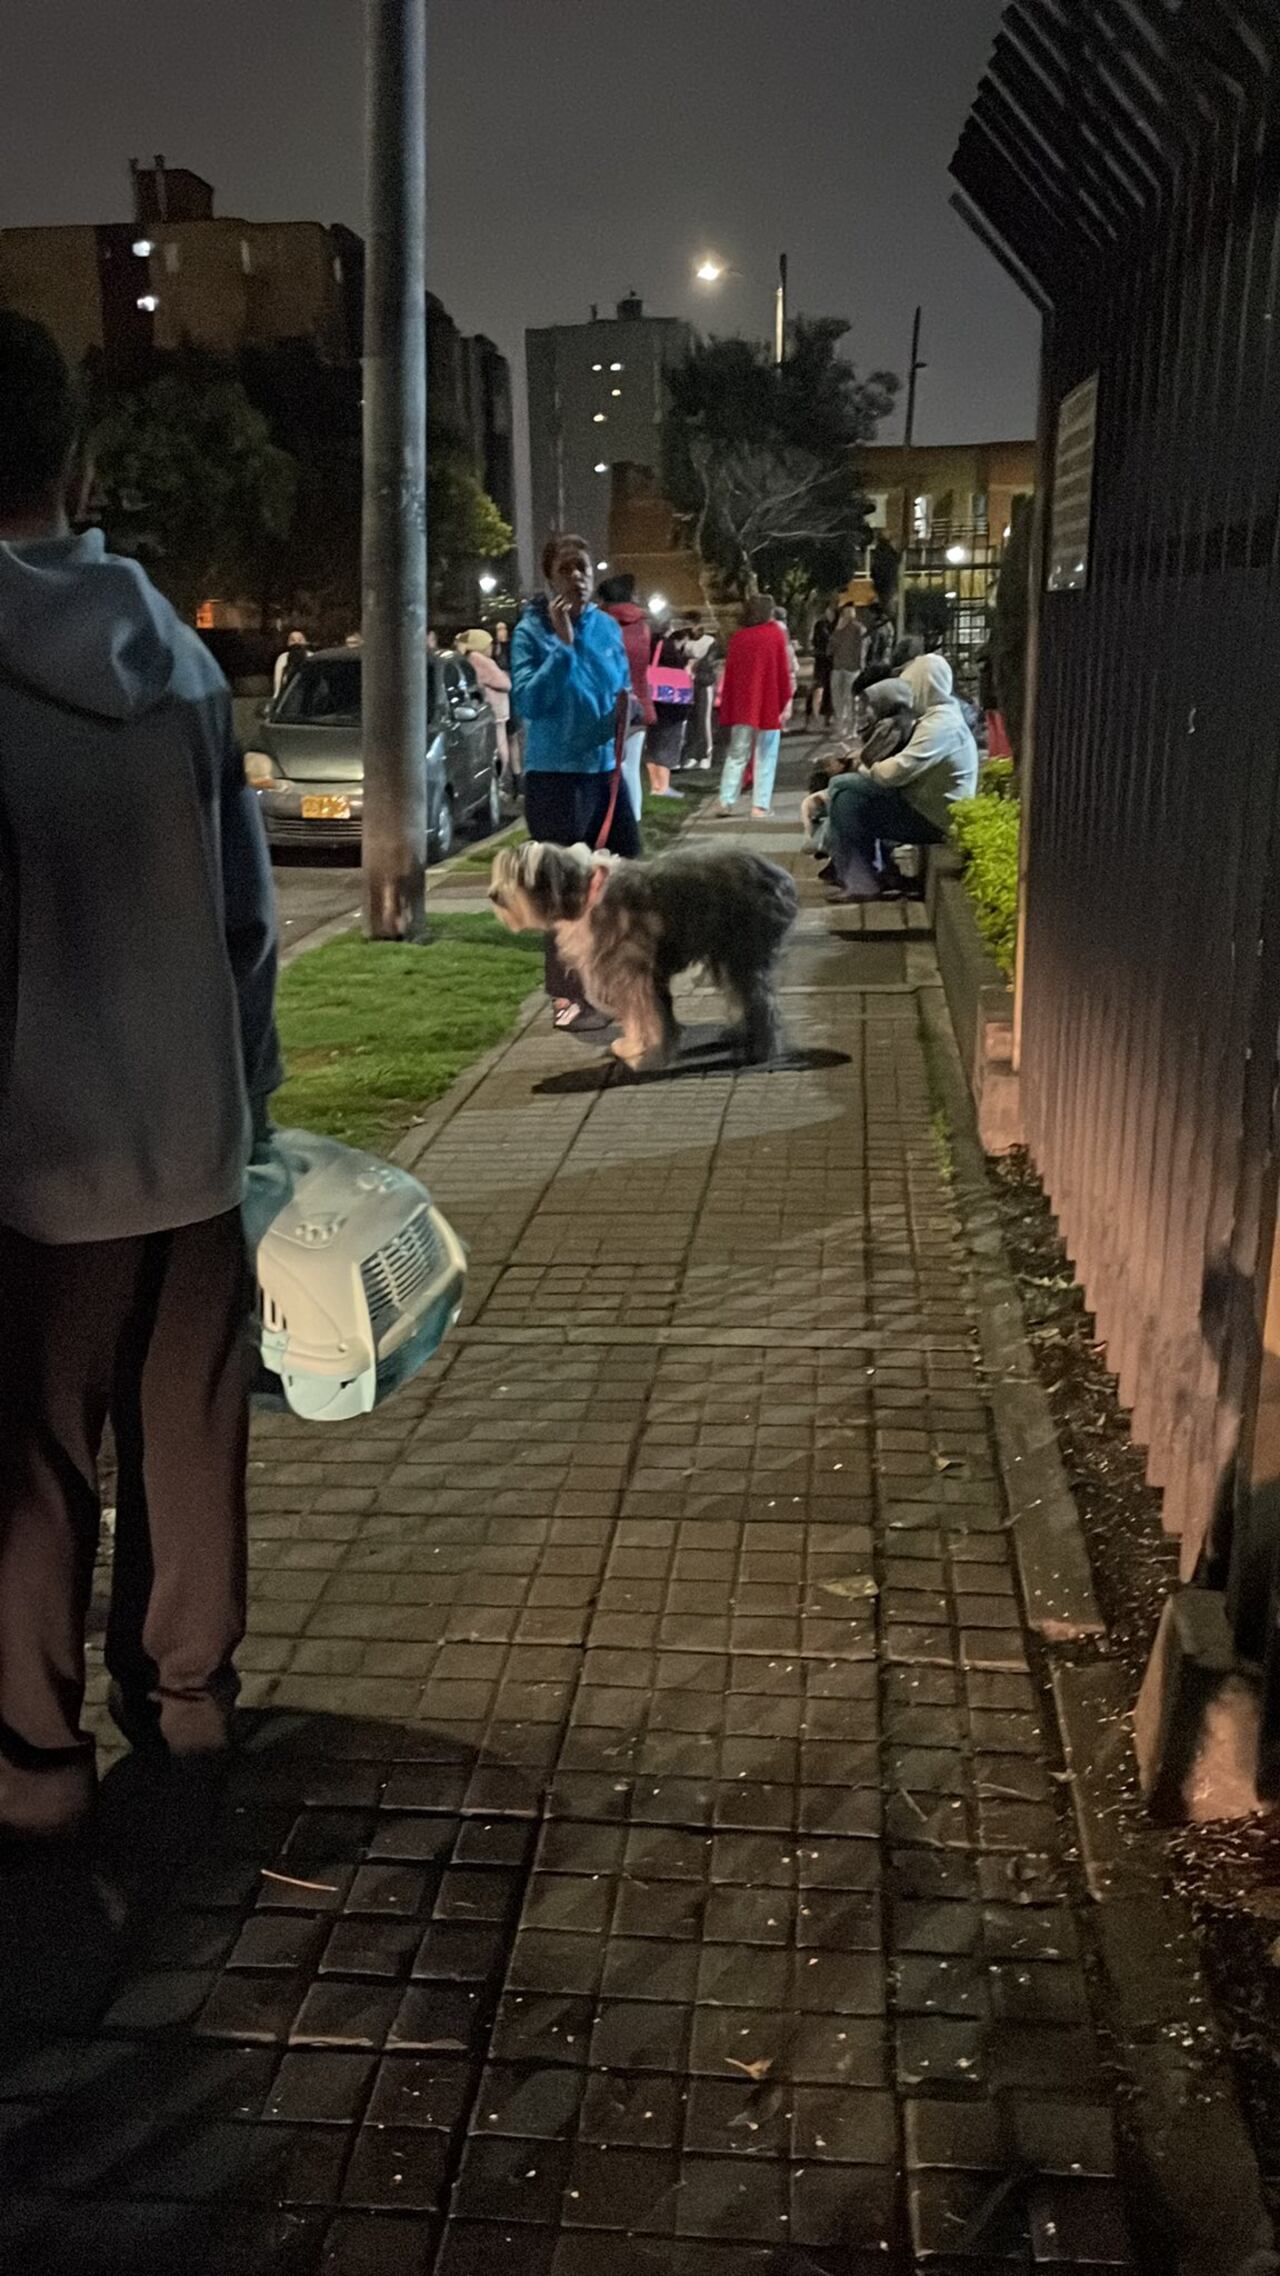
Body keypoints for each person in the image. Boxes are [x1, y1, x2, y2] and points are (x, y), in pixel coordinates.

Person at [0, 314, 281, 1841]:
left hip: (34, 1160)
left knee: (36, 1463)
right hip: (190, 1143)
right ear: (75, 460)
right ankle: (190, 1707)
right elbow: (248, 927)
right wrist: (249, 1106)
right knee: (192, 1436)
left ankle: (34, 1768)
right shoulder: (171, 655)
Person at [511, 531, 636, 1029]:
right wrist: (561, 648)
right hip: (555, 780)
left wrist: (631, 709)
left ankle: (615, 980)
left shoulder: (606, 628)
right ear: (550, 577)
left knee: (625, 877)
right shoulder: (530, 632)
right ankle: (567, 995)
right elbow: (529, 703)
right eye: (566, 569)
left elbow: (618, 683)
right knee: (563, 890)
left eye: (584, 567)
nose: (578, 577)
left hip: (604, 772)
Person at [827, 655, 978, 901]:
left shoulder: (941, 726)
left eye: (911, 687)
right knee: (844, 791)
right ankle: (869, 875)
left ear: (923, 686)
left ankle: (863, 881)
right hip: (926, 807)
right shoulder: (938, 718)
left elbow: (894, 772)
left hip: (934, 819)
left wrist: (863, 768)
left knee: (845, 795)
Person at [716, 594, 794, 817]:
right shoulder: (775, 635)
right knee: (766, 754)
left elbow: (730, 675)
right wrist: (784, 702)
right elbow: (782, 671)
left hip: (743, 705)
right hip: (769, 702)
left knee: (737, 753)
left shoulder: (738, 638)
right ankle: (760, 805)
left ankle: (726, 799)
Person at [598, 572, 655, 829]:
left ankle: (611, 825)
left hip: (609, 704)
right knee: (631, 768)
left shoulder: (601, 626)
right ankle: (634, 822)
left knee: (608, 769)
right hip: (639, 701)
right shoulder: (642, 626)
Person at [644, 616, 690, 797]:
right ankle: (663, 786)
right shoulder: (666, 647)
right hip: (668, 701)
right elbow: (678, 672)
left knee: (652, 744)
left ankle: (655, 785)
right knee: (668, 742)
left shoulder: (643, 644)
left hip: (649, 699)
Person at [462, 627, 512, 778]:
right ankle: (499, 780)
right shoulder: (481, 660)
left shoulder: (468, 659)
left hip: (485, 709)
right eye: (489, 644)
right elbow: (505, 684)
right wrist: (503, 675)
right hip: (496, 710)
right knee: (499, 746)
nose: (491, 647)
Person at [683, 618, 719, 767]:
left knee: (703, 718)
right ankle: (692, 753)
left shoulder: (710, 642)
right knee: (690, 719)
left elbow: (710, 662)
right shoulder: (684, 641)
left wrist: (694, 669)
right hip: (686, 684)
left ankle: (705, 753)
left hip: (703, 683)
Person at [829, 603, 868, 736]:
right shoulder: (838, 629)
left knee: (850, 698)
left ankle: (852, 727)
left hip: (852, 668)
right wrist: (837, 630)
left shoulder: (859, 629)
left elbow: (863, 647)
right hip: (838, 666)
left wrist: (861, 665)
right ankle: (840, 726)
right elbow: (830, 648)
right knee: (837, 698)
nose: (847, 615)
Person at [805, 605, 836, 726]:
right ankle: (814, 715)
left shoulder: (835, 624)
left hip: (830, 660)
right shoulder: (822, 624)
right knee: (819, 687)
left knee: (828, 689)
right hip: (823, 659)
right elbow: (823, 640)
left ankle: (826, 716)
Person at [272, 628, 309, 700]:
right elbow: (277, 685)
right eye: (292, 640)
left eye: (300, 640)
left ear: (306, 642)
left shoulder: (312, 656)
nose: (296, 643)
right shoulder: (283, 658)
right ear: (288, 643)